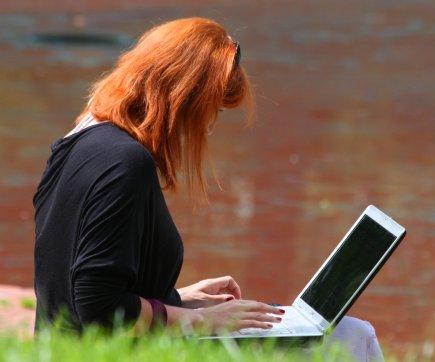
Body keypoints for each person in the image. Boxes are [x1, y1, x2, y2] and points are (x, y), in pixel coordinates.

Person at [33, 17, 283, 334]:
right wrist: (202, 321)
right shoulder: (126, 164)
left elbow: (70, 289)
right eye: (213, 110)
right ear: (186, 98)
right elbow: (98, 306)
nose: (208, 127)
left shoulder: (77, 143)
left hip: (57, 350)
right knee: (348, 334)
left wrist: (181, 300)